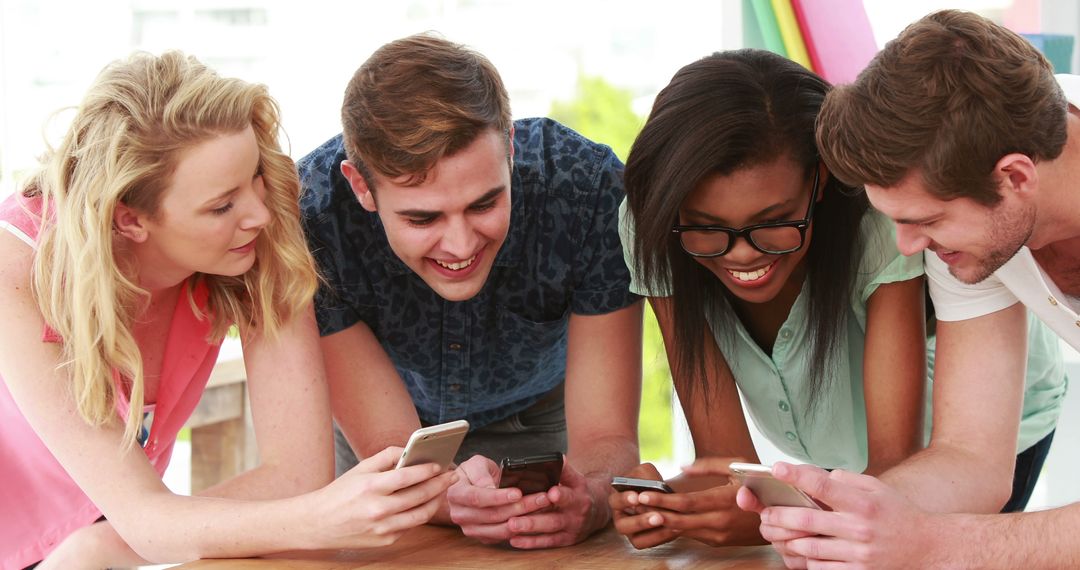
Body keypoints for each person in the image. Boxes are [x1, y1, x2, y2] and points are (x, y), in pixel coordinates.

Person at [0, 51, 455, 570]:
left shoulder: (254, 239)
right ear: (130, 219)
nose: (259, 213)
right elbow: (148, 523)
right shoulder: (18, 273)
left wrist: (112, 543)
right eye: (221, 206)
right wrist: (318, 519)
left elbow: (296, 478)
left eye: (255, 177)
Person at [610, 48, 1065, 553]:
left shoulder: (897, 228)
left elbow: (911, 467)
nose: (740, 253)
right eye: (707, 228)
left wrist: (791, 512)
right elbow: (724, 466)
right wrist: (680, 504)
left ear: (819, 182)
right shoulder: (655, 225)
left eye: (774, 221)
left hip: (967, 442)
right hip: (905, 468)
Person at [736, 10, 1080, 569]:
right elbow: (972, 457)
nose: (906, 246)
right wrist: (844, 518)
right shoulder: (974, 216)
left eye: (927, 220)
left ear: (1015, 177)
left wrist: (932, 544)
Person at [297, 33, 643, 549]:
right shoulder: (314, 220)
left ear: (509, 145)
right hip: (383, 453)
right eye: (422, 217)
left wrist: (589, 500)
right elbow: (391, 453)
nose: (459, 244)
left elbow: (606, 438)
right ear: (361, 186)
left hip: (539, 425)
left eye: (484, 205)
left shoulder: (588, 191)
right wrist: (444, 496)